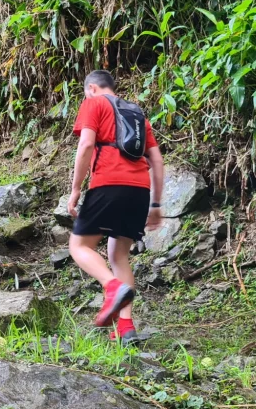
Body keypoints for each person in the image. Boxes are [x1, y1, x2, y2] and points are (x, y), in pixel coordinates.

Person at [67, 70, 164, 343]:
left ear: (91, 89)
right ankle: (126, 328)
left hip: (109, 183)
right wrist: (156, 204)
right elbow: (156, 160)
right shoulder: (137, 113)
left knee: (79, 246)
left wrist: (75, 189)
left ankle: (112, 288)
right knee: (118, 255)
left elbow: (86, 144)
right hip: (140, 191)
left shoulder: (93, 102)